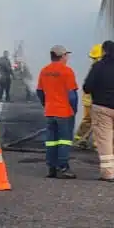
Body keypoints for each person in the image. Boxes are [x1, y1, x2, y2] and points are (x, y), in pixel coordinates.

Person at [81, 39, 114, 181]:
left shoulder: (98, 66)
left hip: (102, 107)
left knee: (104, 140)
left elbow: (87, 87)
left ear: (104, 51)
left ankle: (108, 173)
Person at [34, 46, 79, 178]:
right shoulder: (67, 71)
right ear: (63, 56)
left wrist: (45, 104)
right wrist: (74, 109)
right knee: (64, 140)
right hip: (64, 112)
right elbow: (72, 95)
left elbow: (40, 91)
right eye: (66, 55)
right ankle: (63, 167)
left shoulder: (44, 71)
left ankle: (51, 168)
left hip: (50, 111)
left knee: (51, 141)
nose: (67, 58)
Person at [74, 43, 103, 149]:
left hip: (88, 100)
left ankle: (79, 139)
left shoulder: (94, 67)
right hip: (95, 100)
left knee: (87, 120)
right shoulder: (99, 68)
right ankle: (96, 144)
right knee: (98, 122)